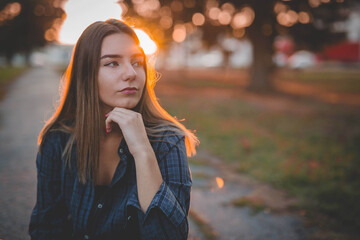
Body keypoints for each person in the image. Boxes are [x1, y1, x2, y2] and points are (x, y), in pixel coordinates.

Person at [29, 19, 199, 240]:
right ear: (86, 74)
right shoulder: (59, 139)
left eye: (137, 62)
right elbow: (46, 227)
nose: (131, 73)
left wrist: (142, 151)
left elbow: (169, 235)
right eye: (112, 63)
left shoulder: (168, 141)